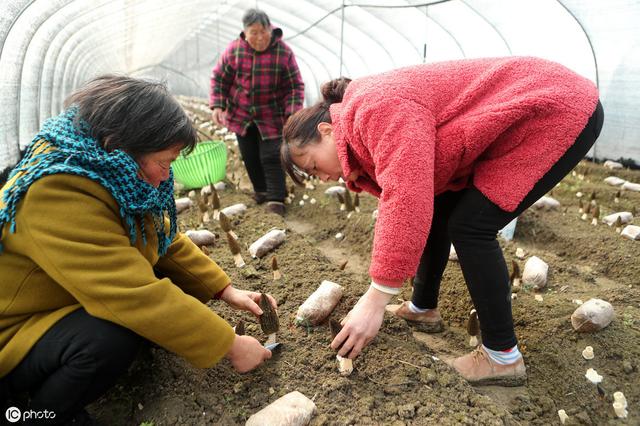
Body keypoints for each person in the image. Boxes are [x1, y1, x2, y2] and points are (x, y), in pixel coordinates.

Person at [281, 57, 603, 386]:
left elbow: (405, 192)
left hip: (554, 110)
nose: (320, 178)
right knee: (441, 206)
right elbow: (422, 195)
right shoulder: (363, 115)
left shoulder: (372, 107)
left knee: (471, 226)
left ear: (327, 131)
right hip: (540, 108)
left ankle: (502, 356)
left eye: (311, 166)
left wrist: (375, 300)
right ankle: (423, 309)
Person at [0, 75, 276, 424]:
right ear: (121, 145)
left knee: (151, 298)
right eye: (164, 162)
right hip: (12, 330)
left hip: (58, 300)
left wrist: (226, 290)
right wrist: (228, 345)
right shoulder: (58, 190)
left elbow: (158, 235)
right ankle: (37, 414)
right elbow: (132, 294)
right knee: (112, 337)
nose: (166, 177)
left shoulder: (105, 168)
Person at [209, 8, 305, 216]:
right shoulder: (234, 50)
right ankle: (261, 191)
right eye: (254, 33)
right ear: (245, 33)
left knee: (271, 156)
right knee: (250, 156)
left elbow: (295, 85)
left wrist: (292, 112)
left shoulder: (283, 52)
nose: (260, 37)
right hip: (241, 114)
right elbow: (219, 78)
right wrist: (218, 104)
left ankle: (276, 198)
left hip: (272, 115)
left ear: (270, 29)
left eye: (264, 31)